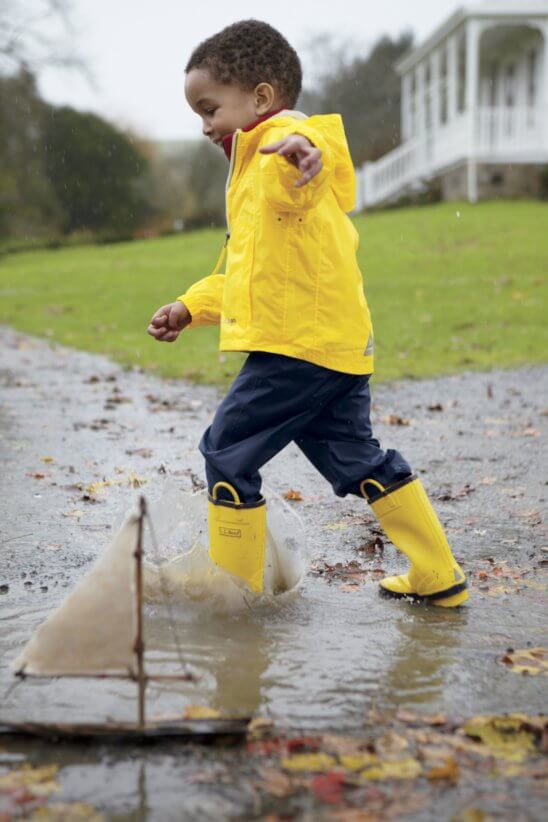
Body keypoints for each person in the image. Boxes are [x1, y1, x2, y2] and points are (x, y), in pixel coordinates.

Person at [147, 20, 468, 606]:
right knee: (359, 460)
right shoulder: (251, 171)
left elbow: (301, 174)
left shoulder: (279, 150)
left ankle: (236, 595)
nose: (203, 125)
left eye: (210, 107)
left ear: (262, 98)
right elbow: (250, 275)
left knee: (226, 451)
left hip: (297, 350)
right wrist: (190, 307)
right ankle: (438, 574)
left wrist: (303, 156)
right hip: (337, 348)